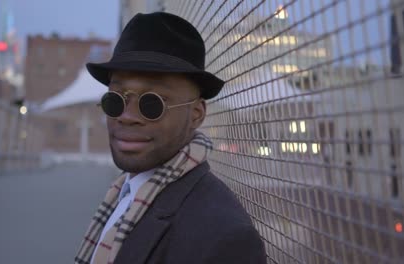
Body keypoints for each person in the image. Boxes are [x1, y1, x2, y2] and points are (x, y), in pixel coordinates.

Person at [75, 12, 267, 264]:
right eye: (115, 100)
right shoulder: (125, 192)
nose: (127, 116)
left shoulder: (225, 237)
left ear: (196, 114)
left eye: (152, 103)